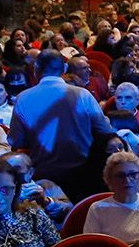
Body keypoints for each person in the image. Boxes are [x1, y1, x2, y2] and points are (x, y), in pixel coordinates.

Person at [8, 49, 114, 199]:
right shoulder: (82, 94)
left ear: (35, 69)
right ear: (64, 69)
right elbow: (105, 130)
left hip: (44, 176)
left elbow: (16, 140)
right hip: (85, 175)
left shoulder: (23, 98)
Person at [83, 150, 139, 246]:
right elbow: (92, 246)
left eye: (133, 174)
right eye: (120, 176)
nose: (127, 180)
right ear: (109, 180)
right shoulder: (97, 209)